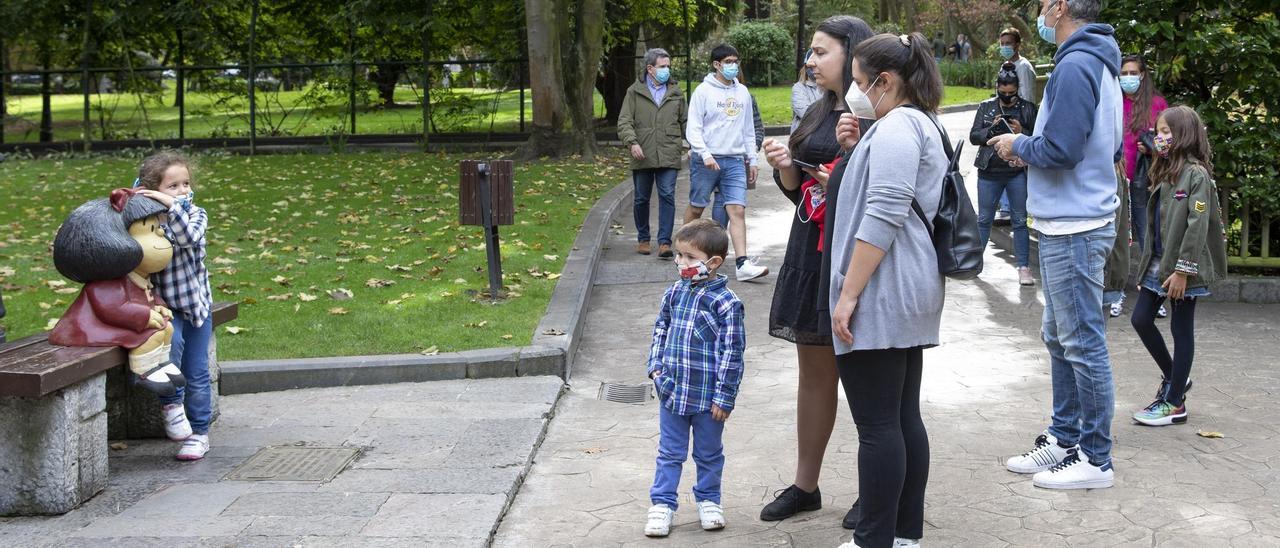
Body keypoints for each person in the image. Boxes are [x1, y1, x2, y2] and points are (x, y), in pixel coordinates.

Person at [988, 0, 1123, 490]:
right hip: (1072, 219)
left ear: (1062, 6)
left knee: (1082, 343)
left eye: (1045, 4)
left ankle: (1095, 459)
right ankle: (1066, 440)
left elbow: (1061, 150)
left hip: (1074, 225)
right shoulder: (1098, 59)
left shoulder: (1077, 63)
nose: (1041, 13)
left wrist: (1016, 146)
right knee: (1060, 337)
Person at [829, 32, 947, 548]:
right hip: (906, 286)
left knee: (878, 426)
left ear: (886, 81)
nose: (855, 92)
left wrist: (849, 293)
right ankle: (902, 535)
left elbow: (885, 210)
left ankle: (873, 539)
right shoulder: (911, 124)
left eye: (860, 82)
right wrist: (858, 149)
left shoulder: (899, 126)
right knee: (900, 418)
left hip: (884, 288)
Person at [758, 15, 875, 528]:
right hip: (810, 253)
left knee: (868, 382)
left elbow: (886, 194)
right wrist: (786, 165)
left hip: (855, 260)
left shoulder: (877, 112)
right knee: (814, 377)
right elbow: (799, 194)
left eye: (821, 51)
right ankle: (806, 486)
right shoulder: (818, 108)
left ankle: (876, 489)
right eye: (811, 51)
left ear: (853, 54)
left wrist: (843, 173)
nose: (810, 61)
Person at [643, 219, 745, 538]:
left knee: (709, 453)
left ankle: (709, 500)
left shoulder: (727, 304)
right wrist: (656, 367)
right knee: (669, 453)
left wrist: (724, 397)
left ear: (713, 263)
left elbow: (732, 354)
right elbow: (661, 327)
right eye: (678, 255)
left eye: (689, 257)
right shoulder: (675, 292)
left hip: (707, 401)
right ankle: (662, 505)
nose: (680, 262)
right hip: (672, 392)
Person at [1129, 106, 1227, 426]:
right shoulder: (1166, 170)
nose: (1160, 137)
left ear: (1184, 134)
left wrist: (1184, 271)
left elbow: (1196, 227)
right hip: (1160, 262)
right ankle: (1176, 378)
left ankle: (1174, 404)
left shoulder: (1195, 174)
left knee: (1180, 328)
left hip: (1185, 266)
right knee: (1141, 318)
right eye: (1158, 132)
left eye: (1167, 132)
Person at [131, 151, 214, 461]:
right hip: (164, 306)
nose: (183, 191)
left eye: (186, 184)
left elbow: (188, 237)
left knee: (197, 372)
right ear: (152, 188)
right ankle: (172, 404)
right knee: (169, 350)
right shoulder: (146, 220)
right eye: (173, 186)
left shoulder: (195, 215)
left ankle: (200, 433)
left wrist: (170, 204)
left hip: (195, 307)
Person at [685, 44, 769, 281]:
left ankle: (742, 263)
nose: (734, 65)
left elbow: (748, 130)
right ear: (716, 64)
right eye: (729, 61)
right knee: (697, 208)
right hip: (706, 160)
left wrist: (752, 159)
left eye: (736, 61)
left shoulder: (742, 92)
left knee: (737, 210)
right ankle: (685, 252)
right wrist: (705, 154)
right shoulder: (703, 92)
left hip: (734, 160)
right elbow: (694, 129)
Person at [970, 62, 1037, 286]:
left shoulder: (1027, 108)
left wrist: (1021, 132)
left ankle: (1024, 267)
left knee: (1019, 220)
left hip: (1016, 171)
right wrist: (993, 129)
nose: (1007, 97)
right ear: (997, 87)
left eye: (1011, 93)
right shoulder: (986, 107)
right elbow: (974, 136)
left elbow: (1039, 138)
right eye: (1003, 92)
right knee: (984, 219)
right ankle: (975, 263)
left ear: (1017, 89)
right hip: (989, 171)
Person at [1114, 54, 1169, 317]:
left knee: (1149, 236)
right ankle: (1116, 291)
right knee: (1119, 237)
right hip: (1117, 179)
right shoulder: (1114, 100)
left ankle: (1153, 293)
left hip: (1147, 181)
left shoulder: (1157, 104)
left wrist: (1152, 148)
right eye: (1123, 73)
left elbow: (1169, 141)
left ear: (1143, 75)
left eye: (1132, 73)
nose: (1127, 78)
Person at [618, 48, 687, 259]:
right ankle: (644, 239)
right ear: (650, 68)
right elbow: (624, 121)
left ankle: (665, 242)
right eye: (662, 66)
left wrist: (693, 145)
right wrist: (632, 143)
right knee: (641, 198)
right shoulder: (634, 92)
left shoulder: (676, 92)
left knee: (667, 195)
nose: (667, 70)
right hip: (643, 154)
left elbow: (686, 122)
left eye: (668, 66)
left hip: (669, 152)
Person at [994, 28, 1038, 224]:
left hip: (1019, 120)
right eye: (1002, 44)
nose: (1004, 47)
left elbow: (1027, 96)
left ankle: (1012, 207)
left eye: (1008, 43)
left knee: (1017, 162)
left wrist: (1021, 123)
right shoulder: (1004, 65)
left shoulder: (1024, 67)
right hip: (1005, 117)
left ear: (1018, 45)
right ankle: (1005, 205)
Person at [791, 58, 824, 132]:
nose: (814, 69)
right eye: (811, 66)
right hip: (804, 135)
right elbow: (805, 113)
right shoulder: (799, 87)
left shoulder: (829, 87)